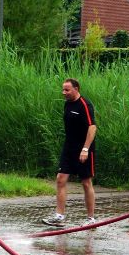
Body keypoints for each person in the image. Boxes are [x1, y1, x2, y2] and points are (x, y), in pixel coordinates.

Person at [42, 78, 97, 227]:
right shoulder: (67, 104)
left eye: (67, 90)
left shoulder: (85, 104)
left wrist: (85, 149)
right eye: (63, 90)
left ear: (76, 88)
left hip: (84, 149)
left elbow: (92, 128)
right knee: (60, 179)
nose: (64, 93)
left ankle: (90, 219)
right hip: (69, 148)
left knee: (86, 182)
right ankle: (59, 216)